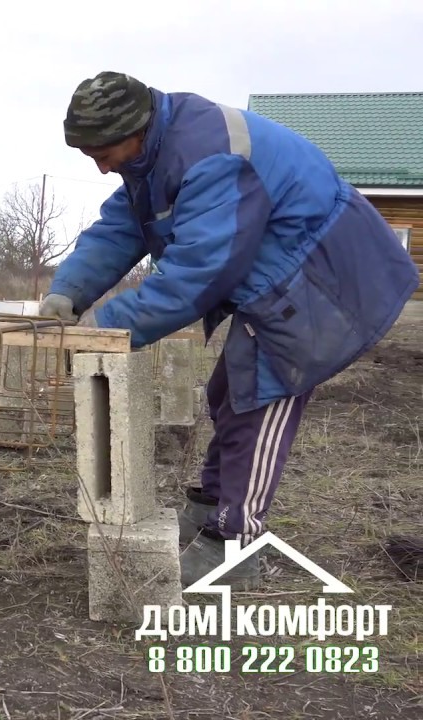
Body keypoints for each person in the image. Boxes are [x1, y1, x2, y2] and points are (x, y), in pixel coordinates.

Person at [40, 71, 419, 589]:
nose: (101, 166)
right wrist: (69, 291)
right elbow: (122, 227)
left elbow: (198, 271)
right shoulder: (152, 155)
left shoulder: (210, 156)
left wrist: (105, 327)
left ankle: (235, 544)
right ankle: (210, 509)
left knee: (259, 399)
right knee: (227, 392)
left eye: (103, 152)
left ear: (137, 127)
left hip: (325, 275)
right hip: (283, 269)